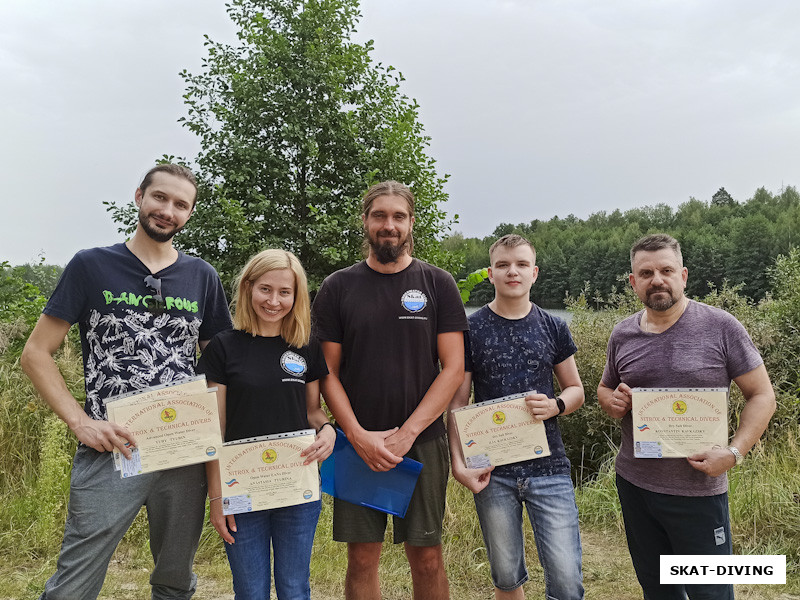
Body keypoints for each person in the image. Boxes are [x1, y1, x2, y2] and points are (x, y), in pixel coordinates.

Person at [20, 164, 232, 600]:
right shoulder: (91, 266)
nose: (167, 210)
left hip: (182, 450)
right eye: (160, 198)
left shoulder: (202, 277)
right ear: (139, 196)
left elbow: (221, 369)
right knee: (74, 583)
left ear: (189, 214)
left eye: (180, 204)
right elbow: (35, 353)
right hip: (112, 446)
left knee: (175, 581)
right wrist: (81, 423)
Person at [311, 180, 468, 600]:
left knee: (428, 554)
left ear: (411, 222)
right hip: (358, 443)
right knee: (362, 556)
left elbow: (453, 369)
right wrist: (358, 436)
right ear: (365, 221)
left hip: (421, 441)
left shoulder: (438, 283)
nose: (389, 225)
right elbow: (327, 372)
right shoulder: (337, 287)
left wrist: (408, 433)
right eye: (379, 215)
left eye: (398, 216)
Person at [597, 233, 775, 600]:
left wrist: (734, 452)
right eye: (645, 273)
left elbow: (762, 395)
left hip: (698, 492)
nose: (656, 279)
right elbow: (605, 390)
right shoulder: (622, 333)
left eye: (666, 270)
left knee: (710, 593)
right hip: (635, 486)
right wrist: (611, 402)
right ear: (633, 282)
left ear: (684, 276)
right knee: (657, 589)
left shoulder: (721, 326)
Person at [447, 234, 585, 600]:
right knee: (506, 577)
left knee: (568, 581)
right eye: (504, 265)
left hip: (549, 467)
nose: (513, 272)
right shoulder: (470, 329)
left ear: (534, 273)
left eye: (522, 264)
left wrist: (556, 404)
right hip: (492, 470)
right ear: (490, 273)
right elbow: (458, 403)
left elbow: (576, 390)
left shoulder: (553, 326)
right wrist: (458, 462)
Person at [199, 249, 336, 600]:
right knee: (250, 591)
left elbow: (312, 411)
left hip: (296, 487)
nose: (274, 301)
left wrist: (329, 430)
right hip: (241, 488)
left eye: (284, 292)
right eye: (265, 289)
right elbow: (215, 428)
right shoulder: (222, 348)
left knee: (294, 588)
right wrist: (218, 497)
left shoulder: (305, 346)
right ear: (248, 287)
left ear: (296, 296)